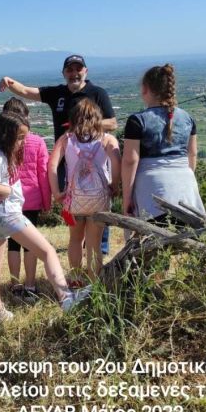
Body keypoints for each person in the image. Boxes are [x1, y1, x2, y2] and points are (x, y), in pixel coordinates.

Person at [0, 54, 117, 254]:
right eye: (70, 70)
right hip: (66, 161)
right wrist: (9, 83)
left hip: (95, 161)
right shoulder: (58, 93)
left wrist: (81, 127)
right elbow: (29, 92)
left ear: (85, 71)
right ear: (64, 73)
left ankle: (99, 246)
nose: (74, 73)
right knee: (72, 204)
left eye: (78, 69)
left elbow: (112, 123)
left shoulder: (97, 93)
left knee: (97, 200)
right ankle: (78, 242)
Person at [0, 111, 85, 319]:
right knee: (48, 252)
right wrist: (5, 190)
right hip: (6, 213)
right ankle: (66, 299)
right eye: (19, 138)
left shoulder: (1, 155)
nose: (22, 142)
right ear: (6, 136)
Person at [121, 64, 203, 225]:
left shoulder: (137, 120)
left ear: (145, 89)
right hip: (186, 185)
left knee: (152, 243)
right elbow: (192, 154)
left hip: (152, 187)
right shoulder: (187, 117)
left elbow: (130, 161)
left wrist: (127, 197)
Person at [49, 100, 121, 281]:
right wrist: (115, 185)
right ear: (98, 118)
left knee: (74, 240)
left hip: (74, 199)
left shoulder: (66, 139)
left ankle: (75, 279)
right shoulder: (107, 139)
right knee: (94, 244)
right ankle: (93, 283)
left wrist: (57, 192)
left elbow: (51, 166)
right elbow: (117, 162)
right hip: (99, 200)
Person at [0, 99, 51, 297]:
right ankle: (30, 284)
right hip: (31, 198)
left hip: (9, 199)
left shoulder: (1, 143)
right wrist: (47, 201)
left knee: (13, 243)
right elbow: (43, 173)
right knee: (31, 244)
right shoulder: (37, 142)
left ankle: (14, 284)